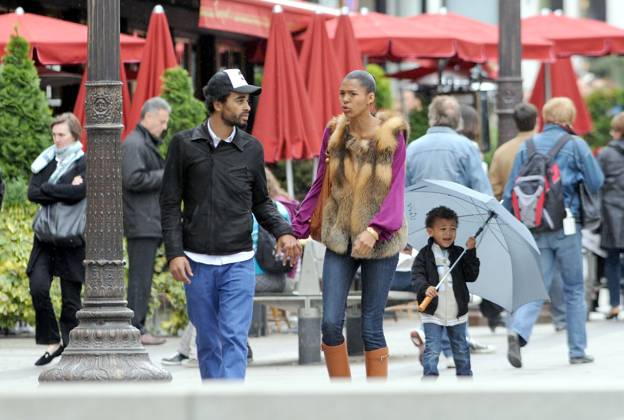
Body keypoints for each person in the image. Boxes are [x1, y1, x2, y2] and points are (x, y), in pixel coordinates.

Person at [160, 68, 301, 380]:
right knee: (208, 343)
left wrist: (283, 232)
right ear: (217, 104)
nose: (247, 107)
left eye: (248, 101)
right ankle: (215, 404)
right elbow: (169, 203)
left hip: (239, 263)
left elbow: (261, 201)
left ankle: (231, 406)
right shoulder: (184, 145)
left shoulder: (252, 149)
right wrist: (175, 253)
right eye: (240, 100)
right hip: (197, 263)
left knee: (234, 339)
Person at [292, 70, 407, 379]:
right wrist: (295, 230)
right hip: (340, 238)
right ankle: (342, 399)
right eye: (342, 93)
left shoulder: (392, 136)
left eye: (352, 94)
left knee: (371, 325)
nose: (344, 99)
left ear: (370, 98)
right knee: (330, 323)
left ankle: (374, 406)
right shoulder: (334, 134)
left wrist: (376, 229)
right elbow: (319, 183)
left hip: (381, 243)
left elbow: (396, 190)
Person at [503, 97, 604, 367]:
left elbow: (509, 190)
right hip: (567, 225)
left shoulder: (528, 146)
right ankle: (577, 350)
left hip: (536, 225)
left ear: (544, 118)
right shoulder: (576, 144)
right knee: (573, 288)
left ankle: (518, 331)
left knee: (538, 285)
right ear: (568, 118)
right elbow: (597, 181)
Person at [406, 95, 494, 355]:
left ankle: (436, 339)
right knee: (455, 282)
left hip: (424, 227)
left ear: (432, 117)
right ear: (457, 120)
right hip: (456, 226)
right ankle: (453, 344)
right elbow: (482, 190)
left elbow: (402, 192)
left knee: (431, 280)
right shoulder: (466, 147)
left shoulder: (413, 148)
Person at [489, 102, 566, 332]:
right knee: (554, 267)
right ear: (537, 120)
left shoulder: (502, 152)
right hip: (547, 215)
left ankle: (517, 320)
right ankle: (561, 317)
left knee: (519, 271)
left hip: (515, 219)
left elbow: (494, 186)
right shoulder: (544, 145)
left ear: (514, 122)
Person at [26, 113, 86, 366]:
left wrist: (48, 190)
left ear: (74, 135)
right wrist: (61, 190)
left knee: (71, 299)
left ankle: (70, 349)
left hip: (71, 238)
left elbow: (80, 192)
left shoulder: (83, 162)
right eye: (54, 134)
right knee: (38, 287)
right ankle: (54, 340)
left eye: (61, 135)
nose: (56, 139)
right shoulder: (46, 160)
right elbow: (32, 193)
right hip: (45, 237)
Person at [122, 97, 171, 345]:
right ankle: (135, 328)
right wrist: (167, 174)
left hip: (147, 220)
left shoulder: (142, 142)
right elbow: (133, 179)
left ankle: (138, 326)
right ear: (148, 117)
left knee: (143, 277)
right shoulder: (134, 144)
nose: (164, 127)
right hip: (141, 221)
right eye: (162, 121)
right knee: (140, 278)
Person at [412, 206, 479, 377]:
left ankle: (465, 380)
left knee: (461, 350)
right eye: (443, 229)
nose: (448, 234)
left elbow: (471, 275)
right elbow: (417, 276)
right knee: (432, 350)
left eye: (452, 229)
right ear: (430, 231)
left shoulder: (458, 253)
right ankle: (429, 379)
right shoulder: (424, 255)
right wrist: (425, 288)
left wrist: (471, 252)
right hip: (433, 312)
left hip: (457, 312)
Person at [597, 112, 624, 320]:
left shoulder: (605, 154)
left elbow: (597, 183)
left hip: (612, 213)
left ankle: (615, 304)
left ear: (615, 131)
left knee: (612, 260)